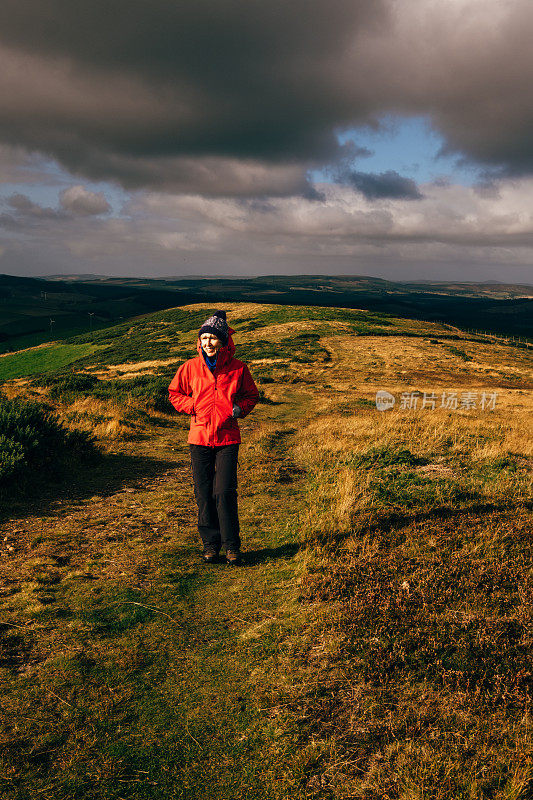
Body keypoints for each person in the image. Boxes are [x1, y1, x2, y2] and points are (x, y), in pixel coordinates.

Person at [168, 311, 259, 565]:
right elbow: (174, 393)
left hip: (228, 438)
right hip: (199, 438)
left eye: (212, 338)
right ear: (199, 341)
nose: (207, 343)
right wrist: (192, 406)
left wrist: (238, 409)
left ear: (223, 341)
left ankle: (232, 546)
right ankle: (211, 545)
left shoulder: (239, 368)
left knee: (224, 492)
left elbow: (251, 396)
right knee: (204, 493)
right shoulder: (190, 368)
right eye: (204, 338)